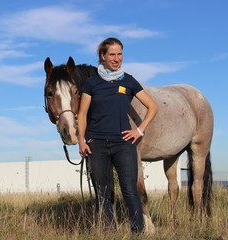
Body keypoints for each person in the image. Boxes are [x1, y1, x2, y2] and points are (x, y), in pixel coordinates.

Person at [78, 37, 158, 234]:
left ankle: (137, 233)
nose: (116, 59)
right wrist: (81, 140)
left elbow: (153, 106)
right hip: (96, 145)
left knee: (130, 192)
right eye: (112, 54)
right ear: (103, 56)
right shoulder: (92, 82)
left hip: (123, 144)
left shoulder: (128, 80)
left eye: (119, 54)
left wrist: (139, 130)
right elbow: (81, 114)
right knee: (103, 195)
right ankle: (109, 233)